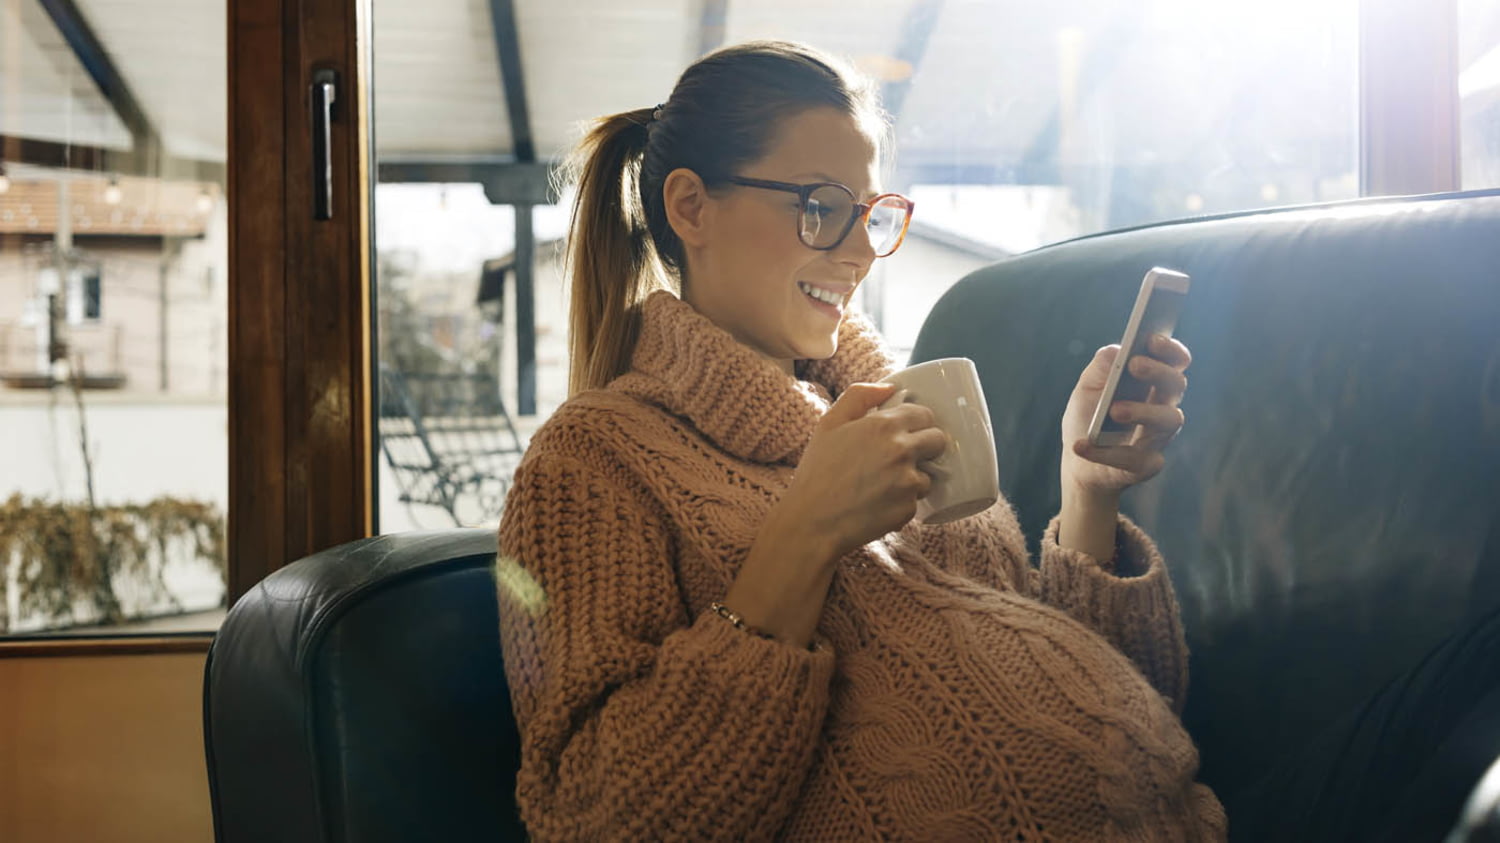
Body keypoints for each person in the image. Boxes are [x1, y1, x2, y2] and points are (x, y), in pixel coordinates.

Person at [495, 40, 1499, 841]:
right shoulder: (595, 464)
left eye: (872, 214)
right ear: (690, 209)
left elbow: (1116, 700)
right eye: (820, 209)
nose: (856, 251)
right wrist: (800, 542)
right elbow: (596, 815)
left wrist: (1088, 496)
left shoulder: (898, 408)